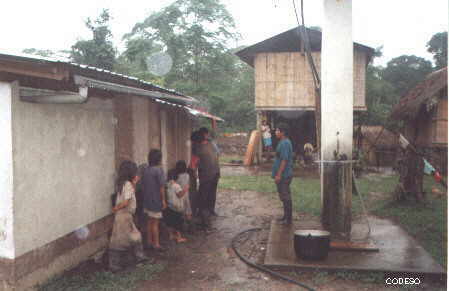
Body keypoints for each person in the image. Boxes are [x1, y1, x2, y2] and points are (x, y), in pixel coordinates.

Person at [109, 160, 148, 272]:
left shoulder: (123, 183)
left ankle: (139, 258)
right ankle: (115, 266)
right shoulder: (128, 184)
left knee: (132, 236)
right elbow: (126, 202)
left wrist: (134, 183)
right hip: (124, 215)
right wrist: (116, 208)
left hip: (123, 216)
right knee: (120, 240)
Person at [191, 128, 221, 227]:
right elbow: (218, 154)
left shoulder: (197, 148)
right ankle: (210, 211)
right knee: (212, 192)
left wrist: (192, 171)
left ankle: (203, 215)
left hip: (207, 174)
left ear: (196, 141)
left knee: (203, 195)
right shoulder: (211, 143)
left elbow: (192, 165)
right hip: (216, 171)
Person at [142, 149, 167, 252]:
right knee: (155, 223)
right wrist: (163, 200)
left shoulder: (146, 170)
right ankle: (156, 244)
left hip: (147, 200)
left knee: (149, 222)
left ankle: (149, 242)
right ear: (159, 159)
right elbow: (161, 187)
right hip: (155, 200)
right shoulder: (159, 170)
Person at [272, 123, 294, 225]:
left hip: (284, 175)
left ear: (282, 132)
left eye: (277, 130)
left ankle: (288, 219)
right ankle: (286, 216)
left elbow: (284, 160)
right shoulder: (282, 142)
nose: (275, 132)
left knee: (285, 196)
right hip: (283, 175)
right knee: (283, 196)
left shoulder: (285, 143)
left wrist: (279, 175)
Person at [163, 169, 188, 243]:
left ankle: (171, 235)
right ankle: (179, 238)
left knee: (170, 223)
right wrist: (185, 189)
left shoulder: (167, 185)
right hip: (176, 208)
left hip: (170, 206)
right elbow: (179, 195)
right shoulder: (176, 186)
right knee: (177, 224)